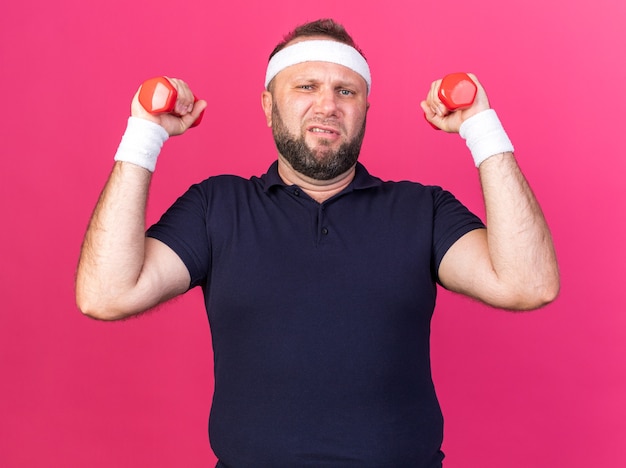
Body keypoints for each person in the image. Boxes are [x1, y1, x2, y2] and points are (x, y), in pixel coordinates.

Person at [76, 18, 559, 468]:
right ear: (269, 105)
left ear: (364, 110)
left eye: (345, 91)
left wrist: (481, 126)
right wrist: (145, 134)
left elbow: (527, 284)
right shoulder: (217, 206)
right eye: (306, 86)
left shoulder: (422, 210)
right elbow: (106, 294)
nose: (327, 104)